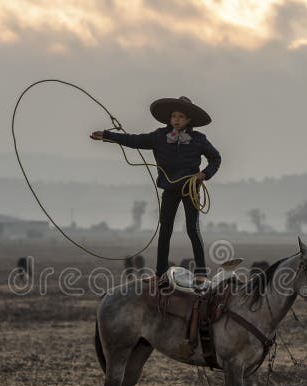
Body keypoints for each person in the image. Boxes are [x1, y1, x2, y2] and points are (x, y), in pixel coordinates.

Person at [91, 96, 221, 285]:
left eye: (181, 116)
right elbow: (132, 140)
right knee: (165, 230)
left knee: (193, 229)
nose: (177, 120)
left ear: (189, 120)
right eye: (174, 116)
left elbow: (216, 159)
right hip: (169, 189)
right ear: (170, 118)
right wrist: (107, 135)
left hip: (190, 189)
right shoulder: (158, 137)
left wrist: (204, 175)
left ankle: (201, 272)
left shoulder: (199, 140)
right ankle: (160, 273)